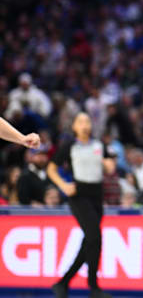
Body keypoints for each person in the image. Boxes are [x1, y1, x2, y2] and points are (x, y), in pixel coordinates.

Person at [47, 113, 116, 298]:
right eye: (81, 121)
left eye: (87, 121)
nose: (85, 125)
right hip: (79, 195)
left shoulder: (98, 145)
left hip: (96, 196)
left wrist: (109, 164)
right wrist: (63, 185)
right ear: (75, 127)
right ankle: (93, 287)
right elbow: (51, 168)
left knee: (90, 241)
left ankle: (63, 283)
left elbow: (110, 165)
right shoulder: (69, 145)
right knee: (95, 237)